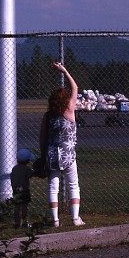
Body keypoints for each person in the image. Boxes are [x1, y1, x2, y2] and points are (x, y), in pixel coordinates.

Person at [40, 62, 85, 228]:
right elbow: (75, 87)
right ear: (64, 99)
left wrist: (43, 153)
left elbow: (42, 137)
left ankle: (55, 220)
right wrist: (64, 71)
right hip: (68, 155)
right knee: (73, 185)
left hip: (52, 154)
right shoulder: (70, 109)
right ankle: (75, 218)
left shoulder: (48, 115)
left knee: (53, 187)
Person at [11, 148, 35, 228]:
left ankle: (16, 222)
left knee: (17, 206)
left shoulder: (14, 169)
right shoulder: (26, 169)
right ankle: (24, 222)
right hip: (24, 190)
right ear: (27, 160)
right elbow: (32, 174)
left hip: (16, 190)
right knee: (24, 206)